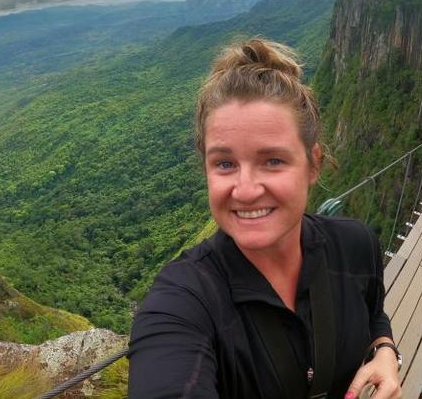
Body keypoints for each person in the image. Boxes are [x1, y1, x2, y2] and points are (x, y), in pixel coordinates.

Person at [128, 38, 402, 398]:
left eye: (273, 160)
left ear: (313, 164)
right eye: (225, 163)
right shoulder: (185, 297)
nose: (245, 189)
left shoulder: (356, 245)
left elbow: (373, 312)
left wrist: (385, 350)